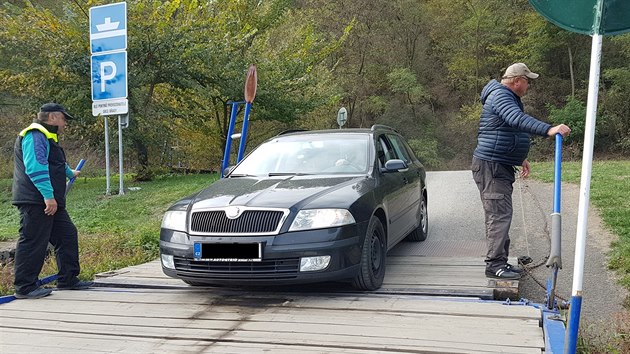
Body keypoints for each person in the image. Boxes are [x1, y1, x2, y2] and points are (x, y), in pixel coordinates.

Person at [472, 63, 571, 280]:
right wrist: (549, 129)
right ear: (518, 81)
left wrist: (520, 158)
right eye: (527, 81)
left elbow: (506, 129)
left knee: (502, 213)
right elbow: (517, 120)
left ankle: (501, 261)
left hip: (499, 164)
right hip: (491, 165)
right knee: (498, 215)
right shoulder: (500, 96)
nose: (528, 86)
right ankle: (495, 265)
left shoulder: (505, 96)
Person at [12, 103, 93, 299]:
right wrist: (48, 197)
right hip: (37, 200)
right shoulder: (35, 134)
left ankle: (68, 279)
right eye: (64, 119)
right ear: (53, 117)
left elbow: (54, 161)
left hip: (50, 201)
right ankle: (25, 287)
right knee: (33, 241)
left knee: (67, 235)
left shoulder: (48, 137)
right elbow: (35, 167)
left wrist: (69, 172)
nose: (65, 124)